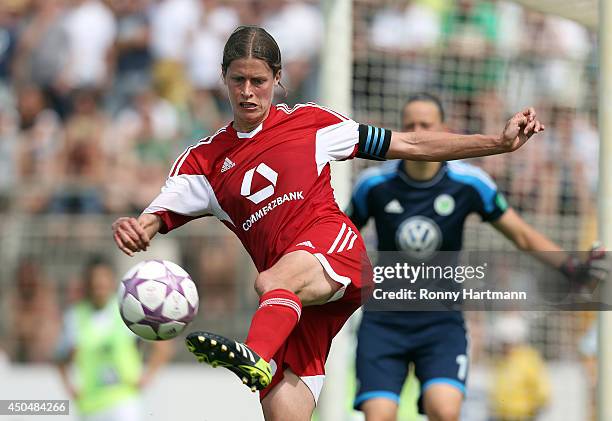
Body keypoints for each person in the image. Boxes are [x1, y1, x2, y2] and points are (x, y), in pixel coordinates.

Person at [111, 26, 544, 421]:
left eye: (258, 81)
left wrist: (497, 143)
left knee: (270, 280)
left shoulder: (312, 124)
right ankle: (260, 356)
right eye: (237, 80)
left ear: (277, 78)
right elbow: (151, 219)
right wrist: (138, 228)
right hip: (295, 306)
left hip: (336, 254)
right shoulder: (203, 162)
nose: (247, 92)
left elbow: (409, 142)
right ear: (223, 77)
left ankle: (255, 355)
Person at [347, 93, 605, 421]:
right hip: (384, 321)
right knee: (379, 416)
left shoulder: (469, 182)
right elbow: (339, 239)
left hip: (441, 322)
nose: (418, 130)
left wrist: (571, 267)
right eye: (410, 124)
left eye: (426, 124)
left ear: (444, 128)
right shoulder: (373, 184)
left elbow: (522, 234)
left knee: (445, 409)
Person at [55, 256, 172, 421]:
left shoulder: (128, 311)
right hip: (90, 404)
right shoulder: (74, 316)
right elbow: (60, 356)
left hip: (123, 402)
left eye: (104, 279)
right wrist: (70, 387)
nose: (99, 285)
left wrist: (147, 377)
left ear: (112, 281)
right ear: (88, 283)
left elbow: (162, 346)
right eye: (95, 280)